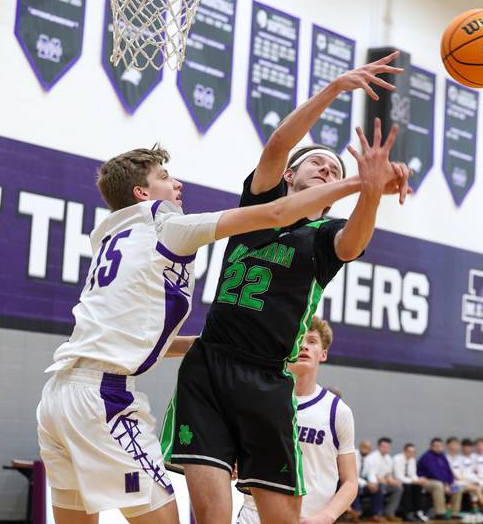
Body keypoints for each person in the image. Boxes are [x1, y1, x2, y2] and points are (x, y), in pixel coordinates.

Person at [36, 143, 382, 522]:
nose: (178, 183)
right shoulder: (169, 226)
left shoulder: (110, 234)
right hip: (103, 397)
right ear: (142, 193)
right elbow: (277, 210)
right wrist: (364, 184)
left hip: (57, 395)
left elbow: (143, 339)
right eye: (165, 177)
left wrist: (218, 342)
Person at [161, 51, 410, 524]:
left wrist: (370, 191)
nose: (326, 170)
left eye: (335, 171)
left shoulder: (321, 240)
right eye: (315, 163)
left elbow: (356, 239)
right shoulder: (256, 208)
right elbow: (277, 144)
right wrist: (336, 88)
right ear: (290, 177)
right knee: (212, 517)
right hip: (208, 369)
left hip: (266, 377)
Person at [237, 316, 357, 524]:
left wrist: (327, 516)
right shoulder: (257, 400)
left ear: (324, 354)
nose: (303, 345)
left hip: (309, 519)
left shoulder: (337, 411)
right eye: (298, 339)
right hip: (253, 516)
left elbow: (350, 481)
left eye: (311, 341)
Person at [417, 437, 463, 520]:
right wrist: (445, 484)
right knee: (438, 485)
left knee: (457, 488)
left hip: (443, 482)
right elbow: (433, 473)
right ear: (431, 447)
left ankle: (454, 513)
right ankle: (440, 513)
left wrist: (451, 482)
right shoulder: (427, 457)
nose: (439, 448)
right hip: (427, 481)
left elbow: (449, 471)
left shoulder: (442, 456)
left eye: (440, 446)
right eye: (436, 446)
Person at [363, 437, 404, 521]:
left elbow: (388, 474)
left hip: (383, 482)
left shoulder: (389, 458)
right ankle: (376, 514)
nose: (386, 448)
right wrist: (384, 480)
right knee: (380, 487)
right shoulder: (372, 457)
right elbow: (371, 475)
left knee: (398, 488)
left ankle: (389, 512)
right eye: (383, 446)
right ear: (379, 446)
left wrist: (392, 481)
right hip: (369, 483)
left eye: (387, 447)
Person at [393, 443, 429, 522]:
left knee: (418, 486)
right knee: (407, 487)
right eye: (409, 451)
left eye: (413, 452)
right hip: (397, 481)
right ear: (404, 451)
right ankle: (407, 513)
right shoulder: (397, 459)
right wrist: (413, 481)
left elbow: (413, 475)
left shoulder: (412, 460)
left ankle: (418, 511)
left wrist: (418, 480)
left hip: (408, 481)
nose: (411, 454)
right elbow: (399, 476)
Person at [354, 439, 385, 522]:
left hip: (363, 484)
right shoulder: (353, 455)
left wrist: (373, 483)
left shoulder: (369, 458)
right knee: (354, 487)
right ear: (360, 447)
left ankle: (374, 514)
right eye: (364, 448)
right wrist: (366, 484)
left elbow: (371, 473)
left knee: (378, 488)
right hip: (352, 482)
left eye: (368, 449)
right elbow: (352, 475)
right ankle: (356, 512)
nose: (366, 451)